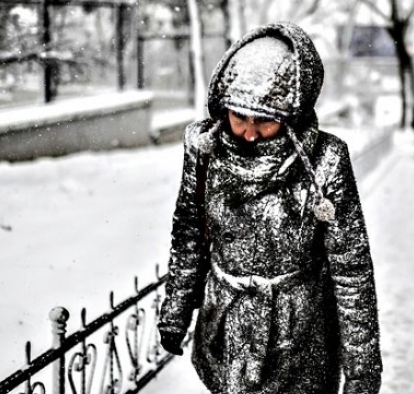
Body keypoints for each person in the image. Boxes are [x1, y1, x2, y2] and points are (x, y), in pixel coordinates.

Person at [158, 22, 383, 394]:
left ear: (291, 113)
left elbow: (351, 269)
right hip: (226, 336)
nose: (248, 132)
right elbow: (190, 233)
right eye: (238, 117)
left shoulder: (325, 161)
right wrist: (176, 312)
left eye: (263, 120)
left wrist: (361, 370)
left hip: (300, 347)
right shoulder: (206, 153)